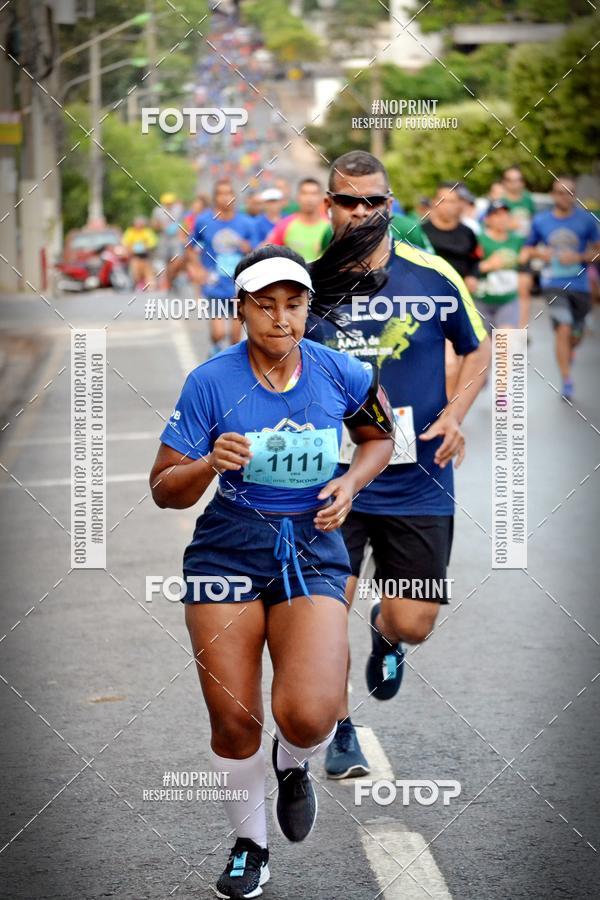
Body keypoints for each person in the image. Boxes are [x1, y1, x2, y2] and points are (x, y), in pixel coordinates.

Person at [150, 244, 393, 899]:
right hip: (226, 553)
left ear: (308, 308)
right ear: (242, 309)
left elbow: (379, 436)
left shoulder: (342, 373)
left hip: (311, 551)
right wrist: (207, 464)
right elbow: (164, 488)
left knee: (310, 716)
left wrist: (350, 487)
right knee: (234, 721)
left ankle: (293, 764)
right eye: (266, 304)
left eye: (293, 303)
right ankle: (249, 847)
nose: (281, 318)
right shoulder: (211, 382)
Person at [306, 150, 490, 779]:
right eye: (348, 201)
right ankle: (341, 731)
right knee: (323, 624)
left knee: (415, 621)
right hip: (331, 482)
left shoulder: (433, 274)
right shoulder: (305, 285)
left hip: (418, 477)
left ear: (390, 206)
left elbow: (479, 345)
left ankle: (387, 634)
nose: (361, 213)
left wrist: (456, 412)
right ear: (327, 205)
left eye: (373, 202)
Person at [522, 176, 600, 399]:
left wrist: (579, 256)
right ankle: (566, 379)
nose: (564, 196)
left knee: (576, 333)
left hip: (580, 284)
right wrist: (542, 253)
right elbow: (527, 250)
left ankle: (570, 349)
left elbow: (597, 251)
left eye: (569, 192)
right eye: (560, 192)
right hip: (552, 284)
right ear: (553, 195)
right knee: (563, 328)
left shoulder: (586, 221)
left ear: (575, 195)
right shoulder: (541, 221)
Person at [187, 178, 259, 355]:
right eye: (221, 194)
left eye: (229, 193)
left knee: (235, 336)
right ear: (215, 197)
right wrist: (198, 269)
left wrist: (247, 247)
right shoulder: (204, 221)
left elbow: (257, 250)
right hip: (215, 283)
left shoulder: (246, 223)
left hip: (239, 285)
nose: (225, 197)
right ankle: (215, 348)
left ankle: (228, 364)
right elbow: (190, 247)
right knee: (219, 333)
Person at [475, 199, 526, 332]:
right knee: (484, 349)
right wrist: (487, 265)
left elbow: (525, 261)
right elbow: (467, 270)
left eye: (505, 215)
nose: (502, 219)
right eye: (496, 215)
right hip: (481, 301)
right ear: (487, 219)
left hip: (508, 300)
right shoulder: (478, 240)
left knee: (505, 346)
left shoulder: (517, 240)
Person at [501, 166, 537, 328]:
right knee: (506, 291)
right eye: (511, 180)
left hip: (523, 250)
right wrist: (509, 225)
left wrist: (530, 248)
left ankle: (521, 331)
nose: (515, 184)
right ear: (504, 182)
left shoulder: (528, 200)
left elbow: (534, 227)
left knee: (524, 289)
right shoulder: (500, 201)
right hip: (504, 250)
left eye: (518, 180)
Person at [267, 178, 329, 263]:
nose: (309, 198)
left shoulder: (330, 226)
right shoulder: (285, 224)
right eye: (304, 193)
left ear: (321, 197)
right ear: (298, 197)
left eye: (314, 193)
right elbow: (270, 255)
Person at [151, 193, 185, 290]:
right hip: (164, 238)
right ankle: (169, 283)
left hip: (176, 238)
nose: (169, 205)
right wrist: (162, 227)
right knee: (165, 261)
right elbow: (154, 224)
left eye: (171, 203)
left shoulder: (178, 208)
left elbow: (184, 220)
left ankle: (174, 277)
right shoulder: (158, 211)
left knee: (177, 259)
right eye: (167, 203)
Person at [122, 215, 157, 290]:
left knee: (148, 272)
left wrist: (145, 246)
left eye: (140, 224)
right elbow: (125, 243)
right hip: (135, 257)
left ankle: (150, 286)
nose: (138, 225)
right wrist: (131, 248)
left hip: (145, 257)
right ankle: (137, 284)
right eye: (137, 223)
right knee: (135, 272)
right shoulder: (130, 231)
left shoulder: (147, 231)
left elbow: (152, 242)